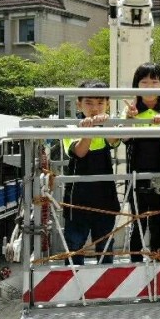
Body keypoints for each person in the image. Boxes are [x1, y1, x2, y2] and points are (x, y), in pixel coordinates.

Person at [62, 80, 120, 265]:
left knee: (105, 248)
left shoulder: (110, 124)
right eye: (89, 103)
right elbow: (79, 152)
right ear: (79, 103)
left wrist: (106, 125)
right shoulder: (71, 127)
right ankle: (71, 286)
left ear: (107, 104)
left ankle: (106, 290)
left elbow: (115, 140)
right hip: (77, 200)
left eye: (100, 103)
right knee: (75, 246)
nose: (95, 108)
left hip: (105, 198)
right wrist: (88, 131)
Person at [123, 63, 160, 262]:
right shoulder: (130, 111)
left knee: (159, 224)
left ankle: (159, 268)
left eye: (154, 81)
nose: (149, 86)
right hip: (136, 178)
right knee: (137, 225)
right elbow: (125, 139)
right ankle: (134, 267)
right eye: (144, 82)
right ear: (137, 85)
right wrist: (129, 119)